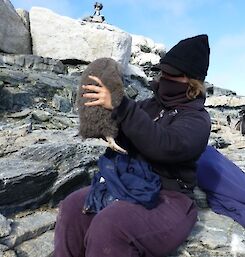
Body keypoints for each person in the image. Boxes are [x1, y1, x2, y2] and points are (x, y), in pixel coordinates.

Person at [54, 34, 211, 257]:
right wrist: (104, 123)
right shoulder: (149, 106)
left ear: (192, 82)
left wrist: (123, 106)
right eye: (162, 72)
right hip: (129, 182)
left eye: (172, 75)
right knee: (71, 207)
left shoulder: (197, 120)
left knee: (110, 226)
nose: (163, 77)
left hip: (170, 198)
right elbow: (128, 138)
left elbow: (164, 146)